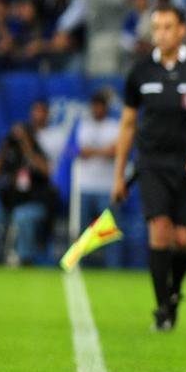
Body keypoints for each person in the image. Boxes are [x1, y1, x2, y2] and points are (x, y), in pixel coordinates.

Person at [112, 6, 186, 331]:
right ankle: (162, 309)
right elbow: (126, 126)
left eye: (168, 27)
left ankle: (175, 292)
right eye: (156, 27)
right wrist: (119, 175)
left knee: (183, 239)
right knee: (160, 228)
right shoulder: (139, 73)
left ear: (182, 30)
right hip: (150, 164)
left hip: (185, 166)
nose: (161, 33)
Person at [0, 120, 55, 265]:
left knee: (23, 216)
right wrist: (4, 146)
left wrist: (26, 145)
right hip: (8, 206)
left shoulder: (37, 151)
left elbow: (47, 171)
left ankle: (25, 259)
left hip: (34, 204)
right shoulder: (9, 153)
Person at [74, 89, 122, 268]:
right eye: (95, 106)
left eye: (100, 106)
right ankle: (80, 266)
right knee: (83, 232)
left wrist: (94, 152)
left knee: (108, 231)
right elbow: (81, 151)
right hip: (85, 186)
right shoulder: (84, 125)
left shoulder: (114, 126)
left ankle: (114, 269)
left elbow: (114, 152)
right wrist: (102, 151)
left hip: (106, 187)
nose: (97, 110)